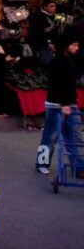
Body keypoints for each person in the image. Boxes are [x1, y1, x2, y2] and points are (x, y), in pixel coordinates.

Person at [36, 35, 83, 174]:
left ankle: (79, 166)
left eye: (77, 45)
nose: (76, 48)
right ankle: (42, 163)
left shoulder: (71, 61)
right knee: (50, 136)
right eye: (74, 45)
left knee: (74, 137)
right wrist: (64, 104)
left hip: (70, 103)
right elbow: (58, 85)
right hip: (56, 104)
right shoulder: (58, 62)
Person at [28, 0, 58, 65]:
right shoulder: (38, 16)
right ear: (45, 7)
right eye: (51, 6)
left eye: (55, 6)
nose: (54, 8)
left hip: (51, 43)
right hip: (42, 44)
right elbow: (37, 33)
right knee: (46, 62)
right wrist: (48, 44)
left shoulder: (51, 16)